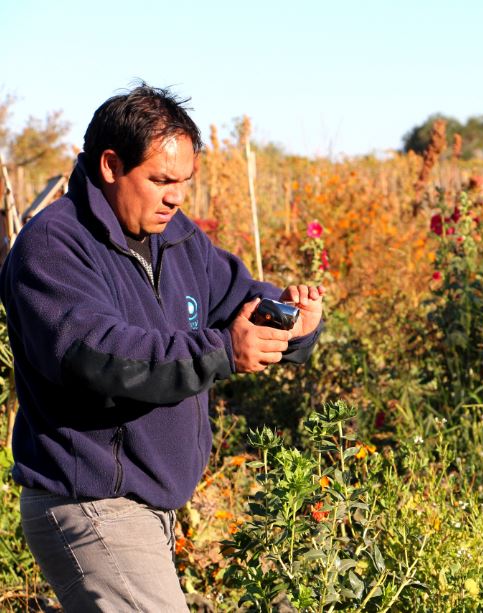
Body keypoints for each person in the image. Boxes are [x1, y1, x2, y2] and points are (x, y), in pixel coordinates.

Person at [0, 83, 324, 610]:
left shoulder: (176, 238)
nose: (175, 196)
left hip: (147, 509)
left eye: (183, 182)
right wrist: (222, 351)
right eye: (160, 180)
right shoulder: (53, 245)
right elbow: (99, 354)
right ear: (110, 165)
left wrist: (293, 321)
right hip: (91, 503)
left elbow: (238, 297)